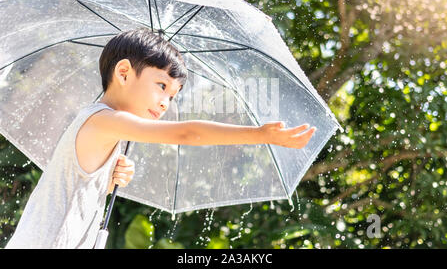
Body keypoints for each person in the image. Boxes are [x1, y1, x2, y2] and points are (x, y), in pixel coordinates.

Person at [6, 27, 316, 249]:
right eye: (162, 86)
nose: (167, 102)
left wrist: (108, 178)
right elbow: (187, 133)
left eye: (174, 94)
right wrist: (259, 134)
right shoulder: (101, 121)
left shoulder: (109, 131)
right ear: (124, 73)